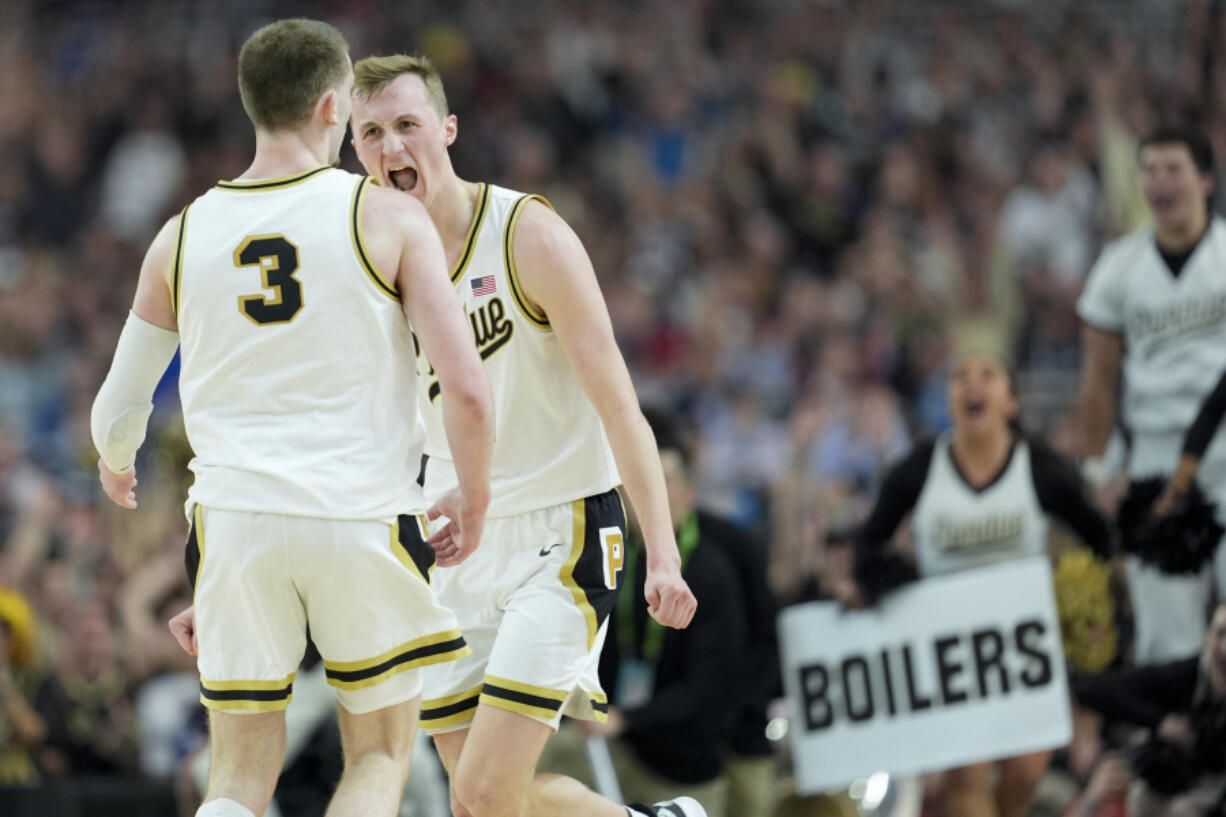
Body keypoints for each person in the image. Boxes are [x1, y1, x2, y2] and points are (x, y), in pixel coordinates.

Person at [90, 20, 494, 817]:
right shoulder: (385, 216)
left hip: (235, 522)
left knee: (237, 777)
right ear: (332, 106)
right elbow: (469, 391)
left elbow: (118, 404)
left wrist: (115, 459)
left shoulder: (181, 233)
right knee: (379, 754)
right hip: (360, 513)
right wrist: (474, 499)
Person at [349, 55, 700, 817]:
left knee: (481, 789)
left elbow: (621, 408)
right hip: (453, 550)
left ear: (446, 129)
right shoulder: (371, 275)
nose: (390, 146)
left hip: (561, 527)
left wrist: (662, 555)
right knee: (483, 805)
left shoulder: (527, 235)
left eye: (406, 124)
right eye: (370, 132)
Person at [839, 352, 1113, 817]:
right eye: (959, 377)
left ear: (1009, 400)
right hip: (951, 654)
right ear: (948, 402)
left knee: (1025, 775)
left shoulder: (1039, 467)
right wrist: (875, 587)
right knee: (966, 780)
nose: (972, 384)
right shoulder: (920, 468)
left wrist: (1082, 602)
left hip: (1024, 651)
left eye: (987, 375)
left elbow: (1101, 540)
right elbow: (868, 547)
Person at [1077, 127, 1226, 663]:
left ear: (1205, 181)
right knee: (1167, 638)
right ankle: (1179, 743)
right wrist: (1097, 470)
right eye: (1149, 170)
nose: (1159, 182)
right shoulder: (1118, 268)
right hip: (1157, 458)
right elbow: (1098, 379)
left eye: (1173, 169)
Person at [582, 425, 747, 817]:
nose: (645, 490)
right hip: (622, 749)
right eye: (640, 476)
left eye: (663, 480)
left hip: (687, 766)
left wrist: (628, 718)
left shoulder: (712, 570)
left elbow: (711, 685)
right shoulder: (621, 557)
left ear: (690, 495)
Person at [1073, 602, 1226, 817]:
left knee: (1184, 810)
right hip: (1168, 784)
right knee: (1142, 794)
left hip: (1210, 793)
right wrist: (1160, 721)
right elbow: (1094, 690)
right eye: (1221, 634)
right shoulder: (1183, 676)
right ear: (1208, 637)